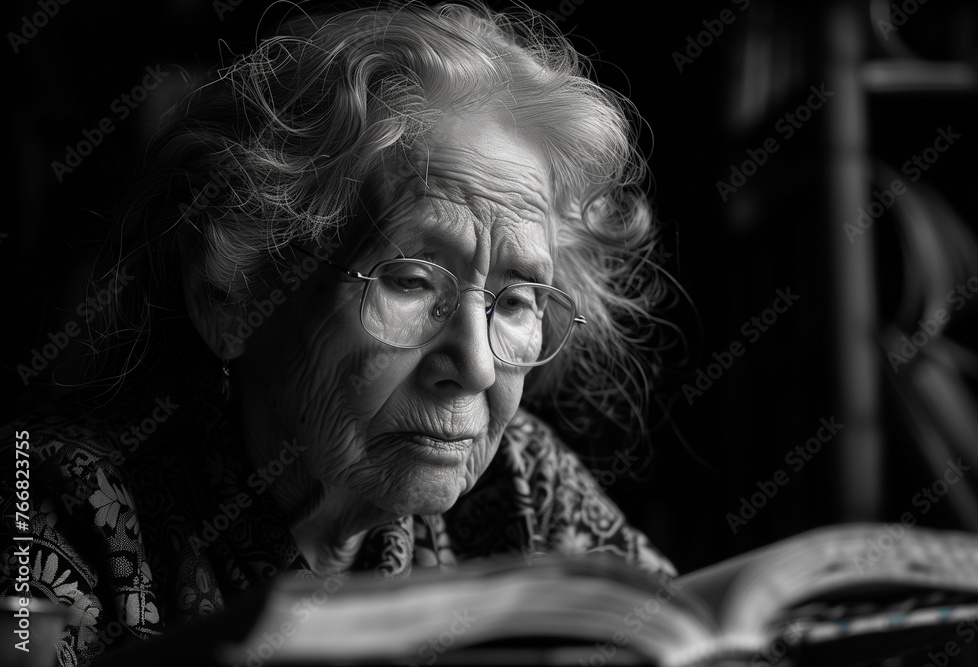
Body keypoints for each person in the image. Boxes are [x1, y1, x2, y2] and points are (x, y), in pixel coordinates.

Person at [0, 2, 675, 665]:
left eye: (518, 299)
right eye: (411, 282)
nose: (473, 364)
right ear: (231, 294)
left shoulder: (523, 482)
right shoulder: (48, 499)